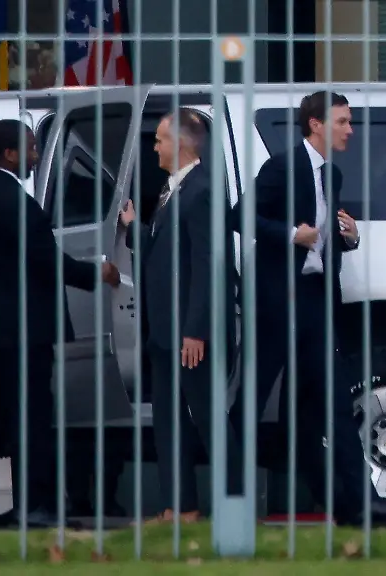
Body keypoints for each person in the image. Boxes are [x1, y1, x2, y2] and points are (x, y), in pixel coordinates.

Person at [0, 119, 121, 528]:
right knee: (30, 412)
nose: (34, 156)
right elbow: (45, 260)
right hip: (17, 326)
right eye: (30, 149)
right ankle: (33, 506)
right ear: (9, 154)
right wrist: (96, 273)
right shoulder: (17, 201)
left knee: (9, 409)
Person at [230, 90, 386, 526]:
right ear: (315, 124)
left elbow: (327, 241)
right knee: (252, 402)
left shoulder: (332, 175)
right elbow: (240, 216)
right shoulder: (282, 166)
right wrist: (289, 234)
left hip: (317, 303)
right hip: (277, 304)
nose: (350, 130)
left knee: (336, 403)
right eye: (342, 121)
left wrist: (350, 236)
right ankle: (234, 499)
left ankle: (360, 505)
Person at [119, 109, 244, 524]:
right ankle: (180, 507)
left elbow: (210, 266)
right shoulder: (173, 190)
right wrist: (136, 227)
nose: (154, 146)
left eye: (159, 139)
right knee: (168, 422)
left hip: (191, 335)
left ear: (183, 144)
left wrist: (197, 330)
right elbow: (165, 252)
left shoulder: (204, 190)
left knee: (208, 419)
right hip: (163, 332)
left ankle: (234, 507)